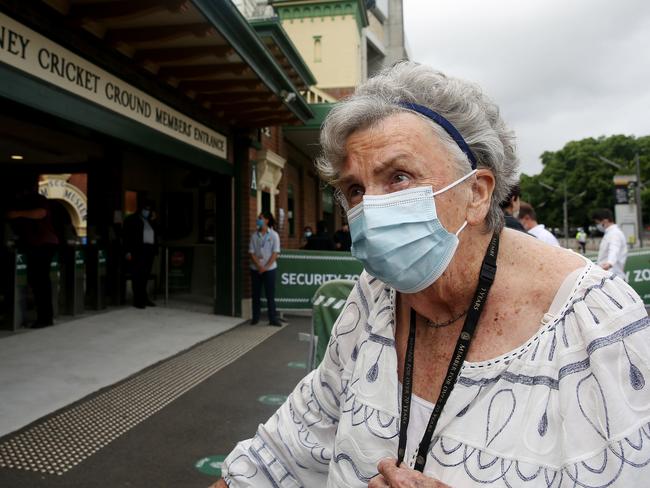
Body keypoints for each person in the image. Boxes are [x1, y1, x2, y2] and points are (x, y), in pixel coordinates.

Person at [212, 62, 649, 487]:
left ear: (476, 193)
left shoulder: (598, 325)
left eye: (398, 177)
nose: (370, 209)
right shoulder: (375, 298)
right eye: (355, 189)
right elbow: (280, 455)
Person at [7, 174, 59, 328]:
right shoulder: (24, 201)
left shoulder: (37, 199)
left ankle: (45, 317)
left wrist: (18, 214)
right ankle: (44, 316)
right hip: (37, 243)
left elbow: (41, 213)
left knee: (40, 280)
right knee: (38, 280)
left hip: (42, 244)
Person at [248, 211, 283, 326]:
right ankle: (255, 318)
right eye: (258, 218)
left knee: (270, 295)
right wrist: (259, 265)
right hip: (256, 269)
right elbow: (252, 252)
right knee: (256, 294)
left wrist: (266, 267)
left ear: (267, 220)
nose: (258, 219)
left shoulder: (274, 235)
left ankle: (272, 319)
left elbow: (275, 253)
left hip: (270, 270)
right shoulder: (254, 235)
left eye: (260, 218)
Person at [123, 200, 157, 309]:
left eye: (149, 209)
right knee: (137, 276)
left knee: (145, 276)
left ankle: (144, 297)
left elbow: (159, 232)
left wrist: (155, 220)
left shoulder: (149, 221)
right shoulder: (131, 220)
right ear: (141, 209)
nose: (147, 211)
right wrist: (127, 251)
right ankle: (137, 300)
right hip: (137, 251)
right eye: (145, 209)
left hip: (148, 251)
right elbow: (126, 237)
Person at [592, 208, 628, 279]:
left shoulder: (615, 234)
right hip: (608, 275)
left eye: (598, 222)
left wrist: (609, 263)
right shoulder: (609, 233)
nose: (598, 225)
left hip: (613, 276)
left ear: (605, 221)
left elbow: (614, 249)